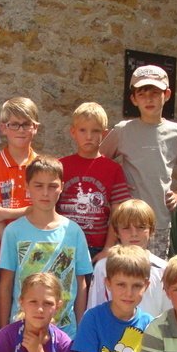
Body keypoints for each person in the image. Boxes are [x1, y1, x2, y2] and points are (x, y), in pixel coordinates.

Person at [101, 65, 177, 258]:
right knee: (126, 269)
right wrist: (114, 193)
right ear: (133, 99)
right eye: (142, 94)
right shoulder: (123, 130)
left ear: (167, 95)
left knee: (155, 271)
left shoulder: (176, 131)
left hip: (159, 221)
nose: (149, 99)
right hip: (127, 223)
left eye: (155, 93)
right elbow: (100, 161)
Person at [0, 156, 93, 338]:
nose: (45, 193)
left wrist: (81, 332)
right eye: (38, 185)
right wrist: (4, 333)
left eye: (52, 186)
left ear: (61, 187)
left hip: (66, 334)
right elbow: (6, 284)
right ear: (27, 186)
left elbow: (81, 283)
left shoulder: (73, 231)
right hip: (22, 332)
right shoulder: (13, 231)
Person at [58, 102, 130, 261]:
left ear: (104, 134)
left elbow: (118, 212)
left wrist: (108, 248)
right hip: (63, 243)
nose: (89, 136)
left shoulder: (113, 169)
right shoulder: (60, 166)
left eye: (95, 131)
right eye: (83, 130)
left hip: (97, 247)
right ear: (73, 132)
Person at [87, 199, 171, 317]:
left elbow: (169, 314)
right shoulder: (103, 267)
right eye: (126, 228)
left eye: (141, 227)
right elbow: (94, 309)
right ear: (116, 232)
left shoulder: (164, 269)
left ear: (151, 230)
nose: (134, 233)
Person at [0, 96, 39, 262]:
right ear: (3, 128)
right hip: (2, 250)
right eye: (14, 124)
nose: (20, 130)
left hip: (36, 248)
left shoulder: (41, 165)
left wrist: (6, 213)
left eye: (26, 124)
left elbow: (46, 210)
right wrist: (30, 210)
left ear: (35, 128)